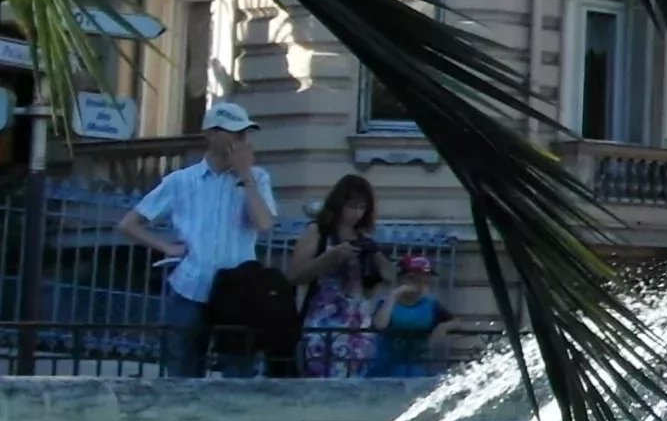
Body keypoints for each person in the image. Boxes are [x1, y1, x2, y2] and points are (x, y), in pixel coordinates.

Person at [118, 100, 277, 377]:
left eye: (244, 134)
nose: (240, 140)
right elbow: (129, 223)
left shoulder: (257, 178)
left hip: (238, 292)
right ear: (210, 134)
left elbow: (264, 223)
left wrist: (245, 176)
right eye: (233, 132)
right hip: (191, 286)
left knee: (238, 371)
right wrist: (166, 247)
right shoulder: (181, 181)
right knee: (182, 369)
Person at [291, 173, 385, 377]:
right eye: (351, 206)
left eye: (361, 207)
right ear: (339, 204)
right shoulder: (318, 232)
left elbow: (375, 285)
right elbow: (297, 274)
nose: (356, 213)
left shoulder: (363, 239)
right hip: (324, 322)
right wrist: (330, 257)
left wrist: (376, 262)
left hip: (357, 324)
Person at [368, 254, 444, 379]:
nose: (420, 286)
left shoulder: (432, 305)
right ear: (401, 280)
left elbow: (456, 321)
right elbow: (380, 325)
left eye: (425, 282)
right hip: (385, 370)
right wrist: (394, 295)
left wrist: (443, 326)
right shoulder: (386, 303)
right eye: (414, 280)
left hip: (417, 369)